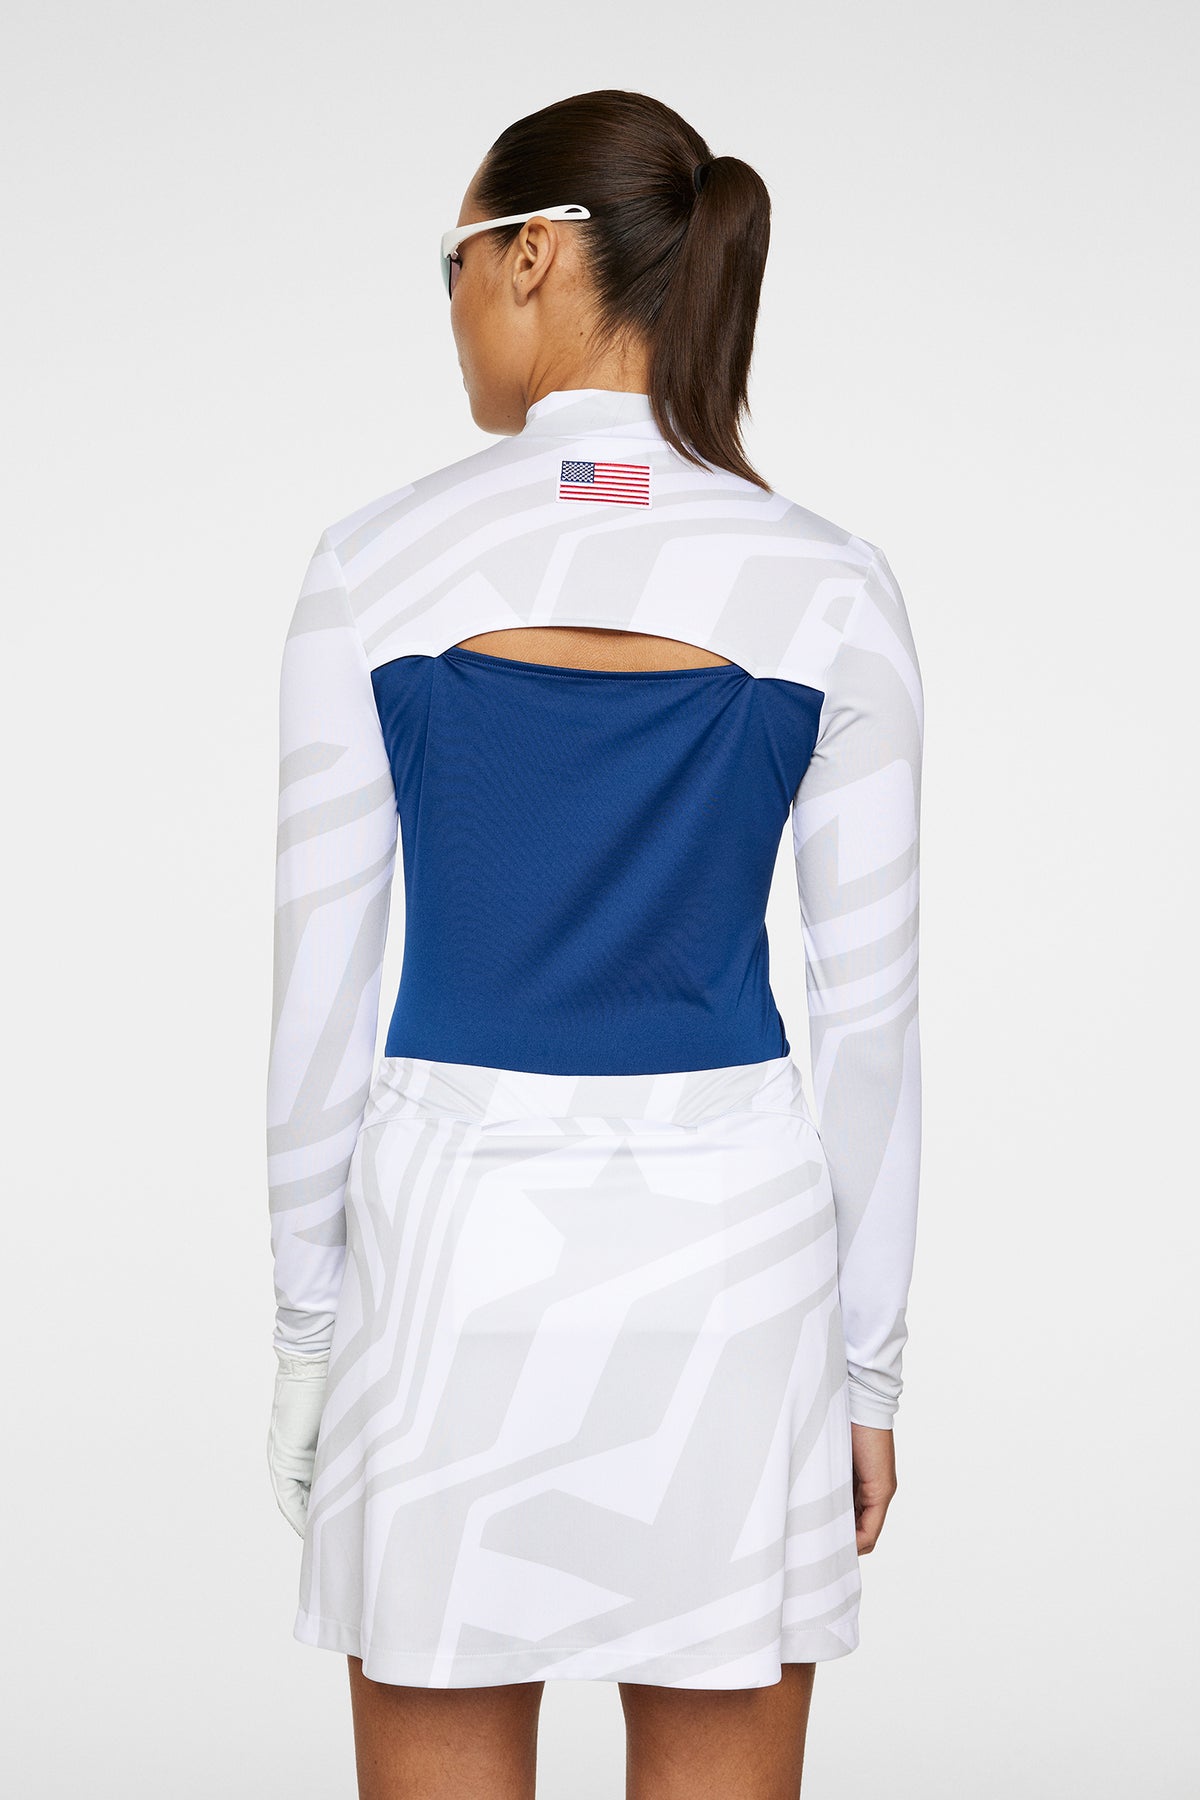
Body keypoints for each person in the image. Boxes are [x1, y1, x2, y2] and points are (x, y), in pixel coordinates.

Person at [265, 88, 923, 1800]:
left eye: (454, 260)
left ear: (535, 257)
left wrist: (307, 1338)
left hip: (450, 1257)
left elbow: (319, 998)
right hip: (734, 1275)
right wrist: (867, 1369)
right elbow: (871, 1023)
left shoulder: (373, 563)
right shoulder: (831, 583)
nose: (451, 305)